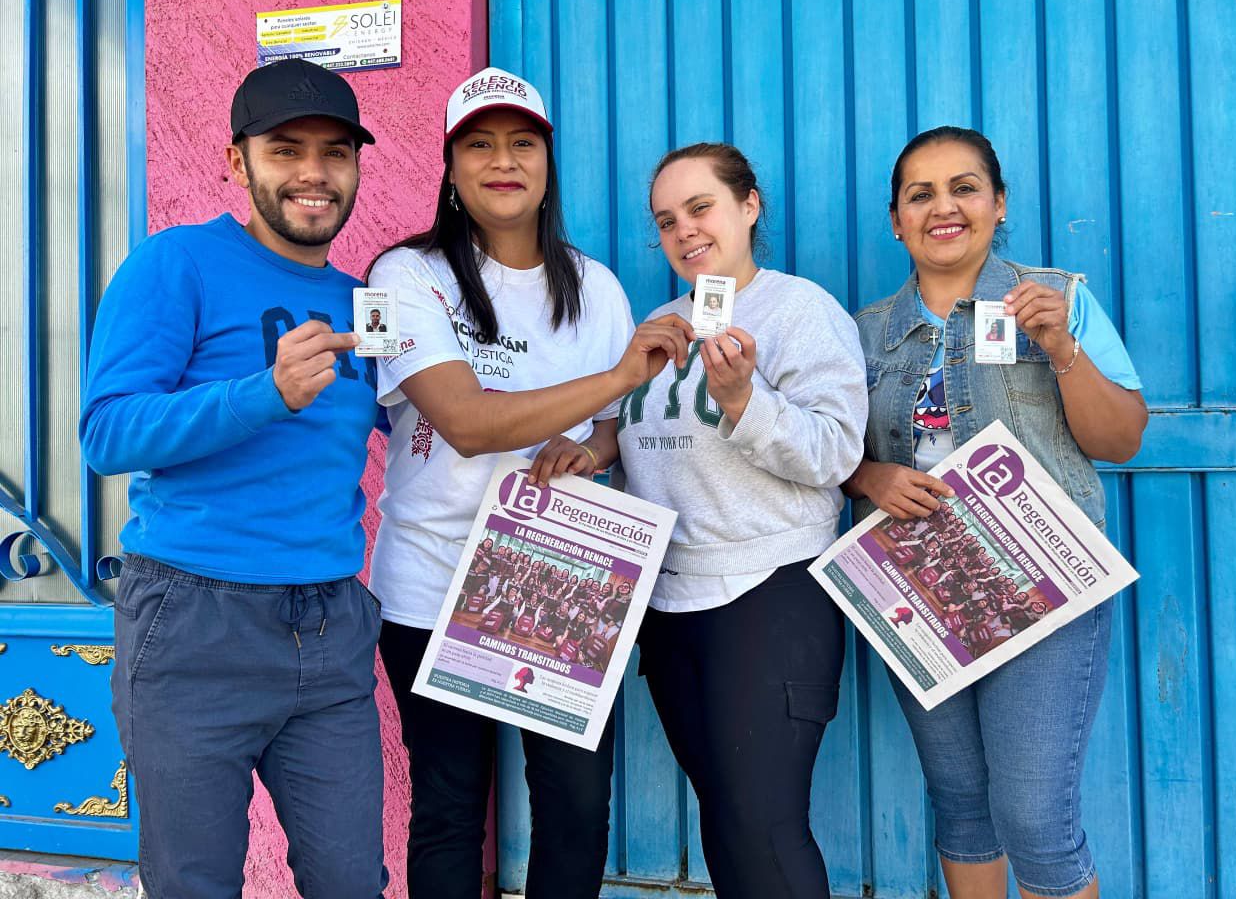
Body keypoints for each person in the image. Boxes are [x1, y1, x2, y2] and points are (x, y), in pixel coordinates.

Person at [367, 67, 693, 899]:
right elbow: (468, 422)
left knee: (576, 808)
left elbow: (615, 425)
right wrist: (616, 379)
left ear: (548, 162)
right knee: (448, 811)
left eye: (522, 143)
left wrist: (592, 449)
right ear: (450, 166)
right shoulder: (406, 275)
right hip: (432, 587)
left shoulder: (595, 286)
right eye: (479, 144)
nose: (503, 161)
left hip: (560, 578)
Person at [79, 58, 387, 898]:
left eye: (335, 152)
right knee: (196, 884)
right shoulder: (176, 263)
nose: (314, 173)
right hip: (193, 625)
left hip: (330, 625)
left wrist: (588, 423)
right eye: (286, 149)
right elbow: (107, 432)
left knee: (352, 881)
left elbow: (434, 423)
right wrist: (264, 393)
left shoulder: (365, 302)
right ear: (236, 162)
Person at [532, 142, 868, 899]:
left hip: (767, 592)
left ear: (749, 206)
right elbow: (641, 432)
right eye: (665, 220)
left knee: (763, 830)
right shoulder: (660, 323)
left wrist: (746, 400)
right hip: (668, 603)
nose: (683, 229)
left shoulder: (800, 311)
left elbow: (836, 452)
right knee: (726, 820)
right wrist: (592, 450)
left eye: (700, 207)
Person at [845, 126, 1147, 899]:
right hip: (920, 589)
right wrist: (871, 477)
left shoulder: (1055, 299)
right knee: (962, 806)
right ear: (896, 220)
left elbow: (1121, 439)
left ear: (999, 203)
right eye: (920, 195)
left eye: (965, 188)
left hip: (1045, 588)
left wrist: (1061, 348)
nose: (943, 208)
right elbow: (832, 456)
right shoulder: (867, 332)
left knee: (1036, 818)